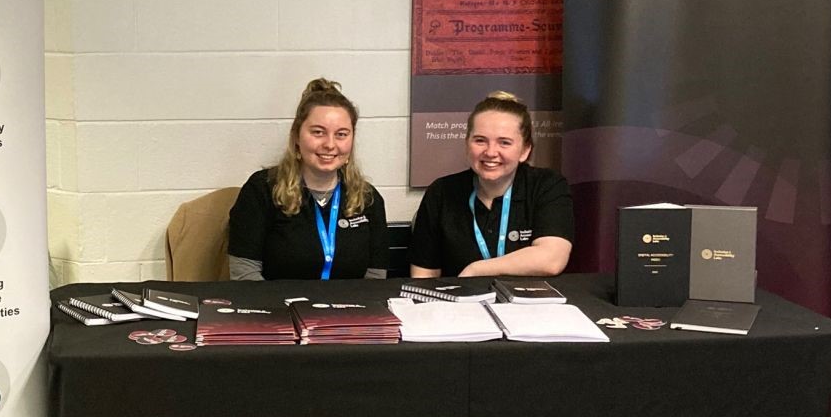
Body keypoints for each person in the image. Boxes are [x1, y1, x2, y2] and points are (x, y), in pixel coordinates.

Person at [229, 78, 389, 281]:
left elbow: (375, 277)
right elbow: (244, 272)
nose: (330, 144)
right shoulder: (262, 190)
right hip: (279, 309)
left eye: (341, 134)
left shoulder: (368, 198)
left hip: (348, 310)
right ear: (296, 136)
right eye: (318, 132)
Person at [409, 91, 573, 279]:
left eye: (504, 142)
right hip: (459, 305)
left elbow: (551, 260)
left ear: (525, 150)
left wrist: (477, 270)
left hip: (530, 306)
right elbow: (423, 275)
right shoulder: (441, 192)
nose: (491, 152)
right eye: (480, 140)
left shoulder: (547, 186)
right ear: (467, 144)